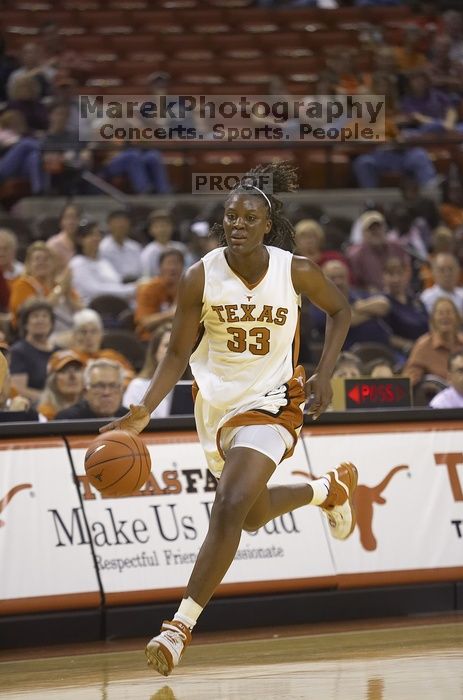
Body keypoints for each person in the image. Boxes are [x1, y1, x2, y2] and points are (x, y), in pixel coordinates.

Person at [101, 162, 356, 677]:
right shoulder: (200, 275)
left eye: (248, 216)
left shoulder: (295, 270)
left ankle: (178, 628)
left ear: (267, 224)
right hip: (216, 407)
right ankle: (327, 490)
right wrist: (143, 410)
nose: (237, 223)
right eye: (230, 216)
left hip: (274, 399)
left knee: (230, 503)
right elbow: (176, 351)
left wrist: (325, 374)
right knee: (253, 513)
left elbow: (342, 310)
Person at [69, 221, 137, 306]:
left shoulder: (103, 262)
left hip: (116, 303)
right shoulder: (77, 263)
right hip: (92, 307)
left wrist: (134, 286)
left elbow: (117, 282)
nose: (96, 238)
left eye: (98, 235)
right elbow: (94, 290)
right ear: (80, 239)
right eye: (91, 235)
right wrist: (130, 290)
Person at [404, 297, 463, 387]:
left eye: (449, 312)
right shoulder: (423, 346)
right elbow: (410, 376)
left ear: (457, 318)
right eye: (440, 313)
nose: (445, 316)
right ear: (433, 319)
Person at [9, 299, 59, 403]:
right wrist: (49, 400)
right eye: (35, 316)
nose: (40, 320)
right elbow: (18, 390)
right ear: (25, 324)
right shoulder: (18, 352)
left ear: (51, 323)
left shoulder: (59, 351)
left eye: (45, 316)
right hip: (32, 408)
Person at [123, 324, 174, 418]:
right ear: (155, 351)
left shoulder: (194, 384)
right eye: (167, 345)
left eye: (177, 346)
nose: (173, 351)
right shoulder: (137, 386)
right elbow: (129, 422)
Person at [135, 249, 184, 340]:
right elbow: (145, 323)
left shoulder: (188, 289)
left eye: (176, 263)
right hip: (151, 340)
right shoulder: (149, 289)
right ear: (160, 267)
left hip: (181, 340)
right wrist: (171, 315)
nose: (173, 268)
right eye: (169, 263)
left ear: (183, 267)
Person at [55, 358, 127, 420]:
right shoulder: (67, 419)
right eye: (99, 386)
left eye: (113, 386)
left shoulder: (131, 418)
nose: (106, 392)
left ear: (121, 391)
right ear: (86, 392)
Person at [38, 349, 84, 420]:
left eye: (77, 370)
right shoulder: (45, 413)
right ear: (52, 380)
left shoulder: (94, 408)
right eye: (64, 371)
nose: (72, 376)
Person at [99, 210, 142, 282]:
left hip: (136, 283)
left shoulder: (135, 247)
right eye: (117, 222)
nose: (121, 225)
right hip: (113, 285)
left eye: (124, 222)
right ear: (109, 225)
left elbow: (141, 270)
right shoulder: (102, 248)